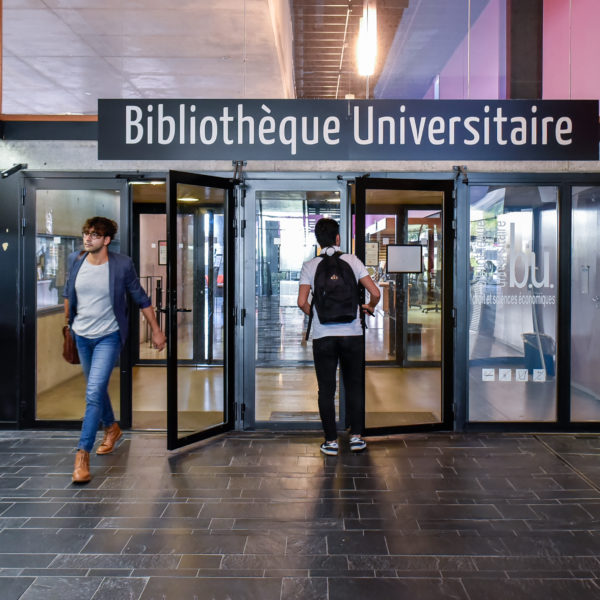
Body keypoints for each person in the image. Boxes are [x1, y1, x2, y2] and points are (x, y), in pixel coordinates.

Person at [64, 217, 166, 483]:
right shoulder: (76, 260)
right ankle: (111, 428)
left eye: (94, 235)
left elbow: (141, 298)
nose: (88, 239)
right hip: (82, 336)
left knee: (93, 393)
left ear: (107, 240)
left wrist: (156, 330)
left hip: (108, 336)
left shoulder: (122, 264)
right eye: (86, 234)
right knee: (96, 389)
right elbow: (68, 293)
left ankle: (82, 455)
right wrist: (69, 326)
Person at [297, 218, 380, 456]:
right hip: (352, 334)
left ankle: (331, 442)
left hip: (323, 336)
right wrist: (369, 307)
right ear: (338, 238)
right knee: (354, 386)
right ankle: (356, 438)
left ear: (318, 241)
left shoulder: (310, 265)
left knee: (326, 389)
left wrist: (317, 314)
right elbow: (375, 293)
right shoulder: (352, 261)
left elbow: (302, 302)